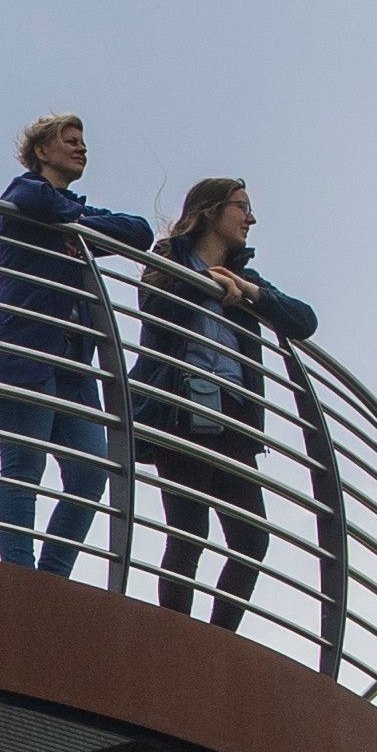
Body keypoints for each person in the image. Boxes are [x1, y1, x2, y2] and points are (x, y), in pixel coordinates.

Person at [0, 111, 148, 575]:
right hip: (22, 354)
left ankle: (52, 576)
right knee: (25, 466)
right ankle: (20, 576)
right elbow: (30, 200)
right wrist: (79, 225)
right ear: (42, 151)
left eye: (83, 141)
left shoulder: (69, 208)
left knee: (90, 473)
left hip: (71, 367)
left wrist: (76, 224)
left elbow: (139, 231)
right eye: (70, 140)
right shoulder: (24, 192)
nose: (81, 147)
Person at [136, 173, 317, 635]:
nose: (250, 218)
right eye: (241, 206)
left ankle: (217, 638)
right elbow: (157, 309)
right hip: (180, 410)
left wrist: (246, 289)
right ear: (211, 211)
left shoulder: (246, 277)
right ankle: (176, 639)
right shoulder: (168, 259)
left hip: (233, 416)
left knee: (251, 538)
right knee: (189, 532)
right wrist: (206, 284)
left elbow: (304, 320)